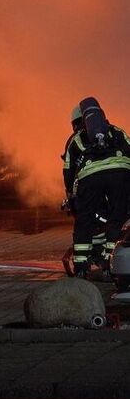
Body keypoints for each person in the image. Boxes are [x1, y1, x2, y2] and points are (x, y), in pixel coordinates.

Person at [62, 99, 130, 277]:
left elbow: (68, 169)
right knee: (117, 219)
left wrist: (71, 193)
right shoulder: (116, 132)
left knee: (84, 222)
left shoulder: (77, 139)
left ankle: (82, 269)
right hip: (119, 177)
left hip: (90, 181)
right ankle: (110, 264)